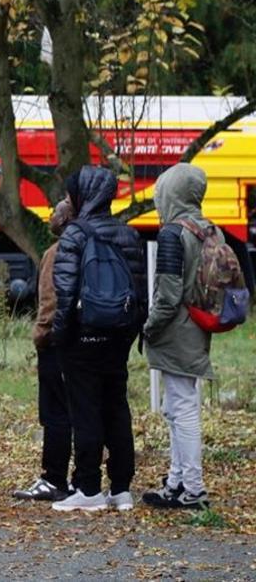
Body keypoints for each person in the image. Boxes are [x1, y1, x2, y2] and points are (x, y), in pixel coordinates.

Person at [49, 166, 145, 512]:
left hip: (83, 337)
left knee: (85, 410)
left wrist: (60, 337)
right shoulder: (128, 234)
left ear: (81, 195)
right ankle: (121, 489)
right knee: (117, 407)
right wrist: (131, 332)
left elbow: (65, 294)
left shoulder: (74, 235)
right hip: (118, 336)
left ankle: (88, 488)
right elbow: (138, 290)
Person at [142, 164, 213, 510]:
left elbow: (167, 296)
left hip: (175, 332)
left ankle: (193, 488)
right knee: (176, 407)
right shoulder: (208, 230)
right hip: (197, 328)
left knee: (182, 408)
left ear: (170, 192)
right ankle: (176, 482)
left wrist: (148, 327)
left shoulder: (173, 234)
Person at [13, 199, 75, 501]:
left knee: (55, 414)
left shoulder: (56, 252)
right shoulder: (91, 245)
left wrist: (40, 335)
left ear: (65, 220)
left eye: (57, 211)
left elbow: (49, 303)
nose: (51, 215)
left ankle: (53, 478)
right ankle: (85, 480)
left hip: (56, 343)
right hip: (86, 342)